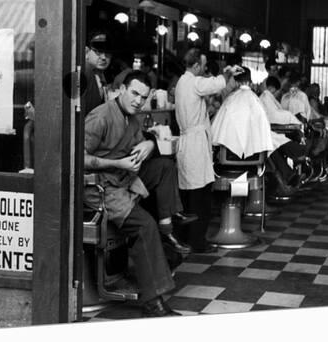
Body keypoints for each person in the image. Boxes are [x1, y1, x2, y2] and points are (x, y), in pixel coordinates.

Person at [84, 70, 192, 317]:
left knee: (165, 166)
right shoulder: (100, 117)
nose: (137, 101)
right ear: (121, 89)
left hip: (123, 179)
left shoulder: (131, 117)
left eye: (143, 97)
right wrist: (118, 164)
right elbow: (77, 157)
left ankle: (168, 227)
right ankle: (152, 302)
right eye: (134, 93)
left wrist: (150, 143)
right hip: (100, 188)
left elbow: (141, 141)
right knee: (144, 226)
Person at [174, 48, 242, 253]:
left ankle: (185, 238)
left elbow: (211, 89)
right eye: (203, 65)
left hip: (189, 142)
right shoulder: (194, 82)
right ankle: (198, 242)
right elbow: (215, 83)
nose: (204, 69)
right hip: (195, 144)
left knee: (188, 195)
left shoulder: (182, 83)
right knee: (200, 196)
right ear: (195, 65)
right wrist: (228, 71)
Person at [83, 30, 114, 115]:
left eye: (107, 52)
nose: (104, 57)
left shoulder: (99, 74)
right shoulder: (85, 71)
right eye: (98, 51)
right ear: (86, 51)